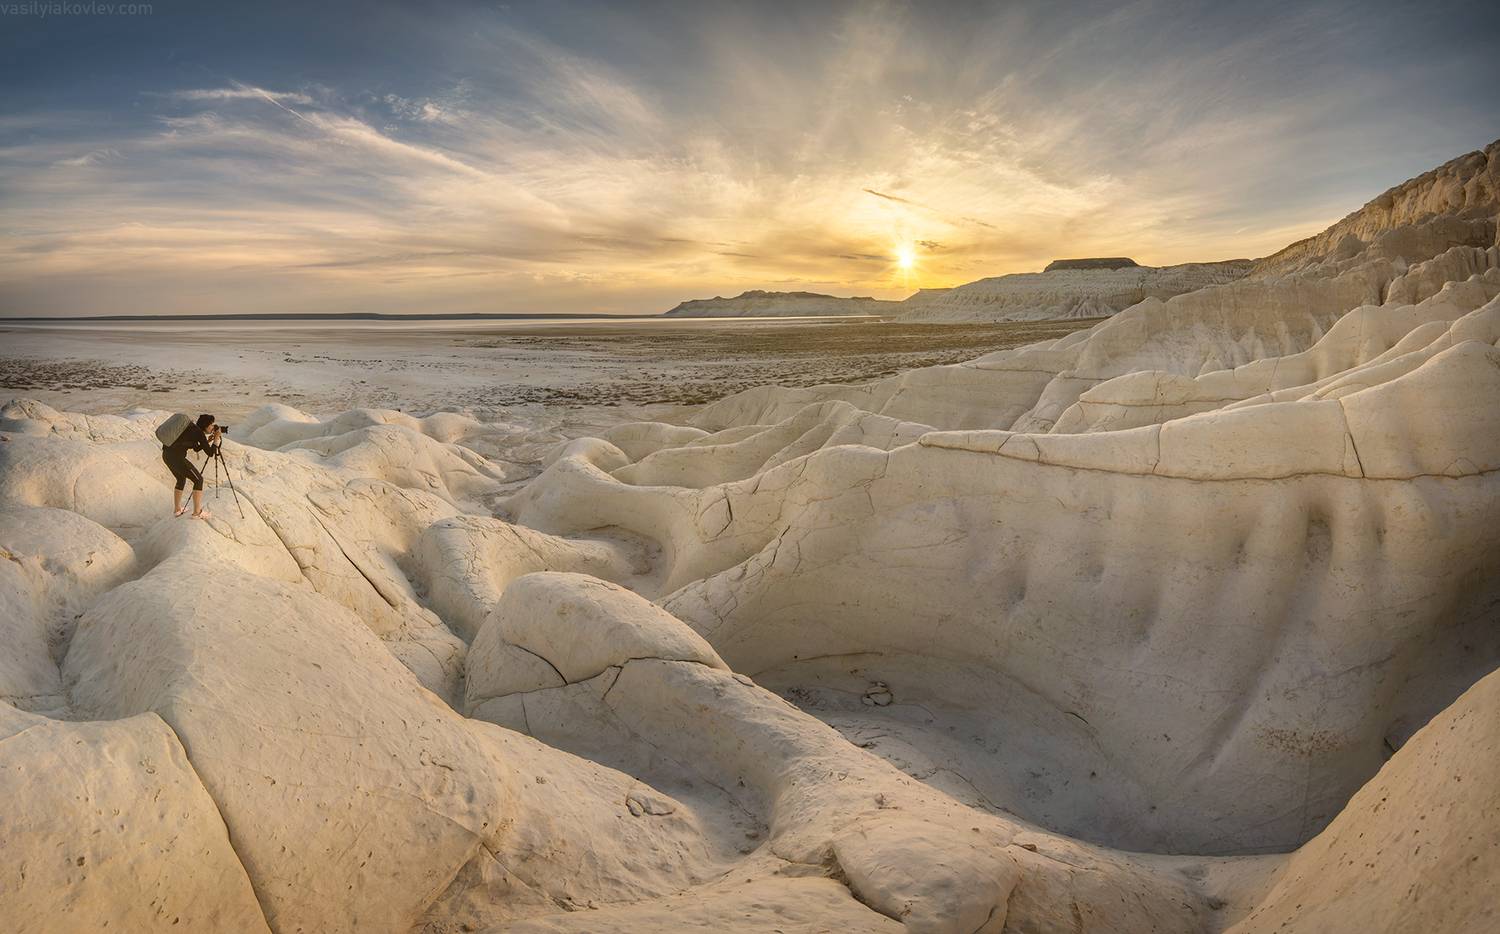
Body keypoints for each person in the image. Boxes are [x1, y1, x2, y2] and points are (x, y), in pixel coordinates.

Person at [162, 413, 221, 519]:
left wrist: (207, 441)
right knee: (198, 480)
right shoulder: (199, 433)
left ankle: (177, 509)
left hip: (166, 455)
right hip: (176, 458)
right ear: (206, 425)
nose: (213, 428)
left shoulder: (192, 429)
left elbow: (195, 448)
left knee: (181, 479)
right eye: (212, 425)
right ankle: (197, 512)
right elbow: (211, 453)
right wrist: (216, 439)